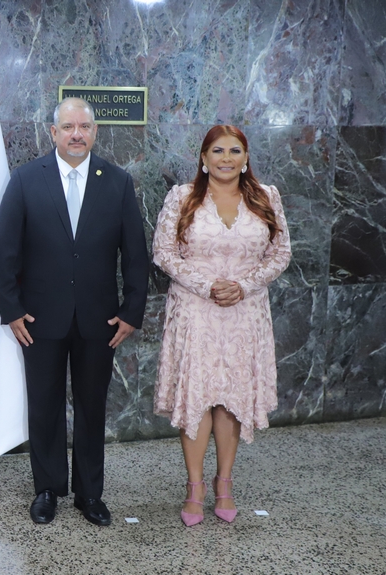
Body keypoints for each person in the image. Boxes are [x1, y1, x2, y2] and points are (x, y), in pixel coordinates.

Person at [0, 97, 150, 526]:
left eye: (84, 127)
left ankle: (89, 493)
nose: (76, 134)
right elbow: (4, 251)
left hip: (100, 320)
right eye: (68, 127)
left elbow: (135, 254)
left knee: (92, 406)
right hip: (38, 319)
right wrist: (11, 308)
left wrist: (132, 310)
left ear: (95, 132)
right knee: (44, 405)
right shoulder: (26, 179)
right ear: (53, 132)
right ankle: (47, 489)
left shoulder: (117, 181)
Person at [152, 125, 291, 526]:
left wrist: (244, 285)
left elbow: (281, 254)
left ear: (246, 158)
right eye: (217, 151)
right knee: (198, 398)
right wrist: (207, 285)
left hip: (245, 313)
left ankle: (224, 483)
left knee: (231, 398)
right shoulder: (182, 197)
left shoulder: (267, 197)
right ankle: (194, 487)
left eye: (234, 151)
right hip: (196, 311)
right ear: (204, 158)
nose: (226, 158)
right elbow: (163, 252)